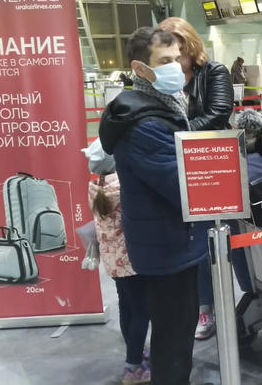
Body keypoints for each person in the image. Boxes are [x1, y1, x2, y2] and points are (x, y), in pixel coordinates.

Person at [99, 27, 207, 385]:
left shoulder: (157, 107)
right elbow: (182, 186)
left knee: (173, 329)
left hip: (168, 239)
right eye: (165, 61)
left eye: (178, 59)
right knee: (174, 334)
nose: (176, 66)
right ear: (140, 69)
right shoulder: (142, 123)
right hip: (166, 242)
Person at [158, 16, 234, 340]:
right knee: (196, 241)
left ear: (189, 41)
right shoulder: (164, 78)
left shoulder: (214, 72)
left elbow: (219, 112)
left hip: (216, 163)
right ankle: (205, 306)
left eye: (175, 39)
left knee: (230, 240)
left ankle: (250, 300)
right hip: (179, 168)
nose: (171, 46)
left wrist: (178, 136)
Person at [84, 139, 151, 385]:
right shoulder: (125, 187)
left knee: (127, 307)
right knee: (142, 311)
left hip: (112, 262)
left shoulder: (96, 187)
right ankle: (133, 367)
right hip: (132, 260)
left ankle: (134, 354)